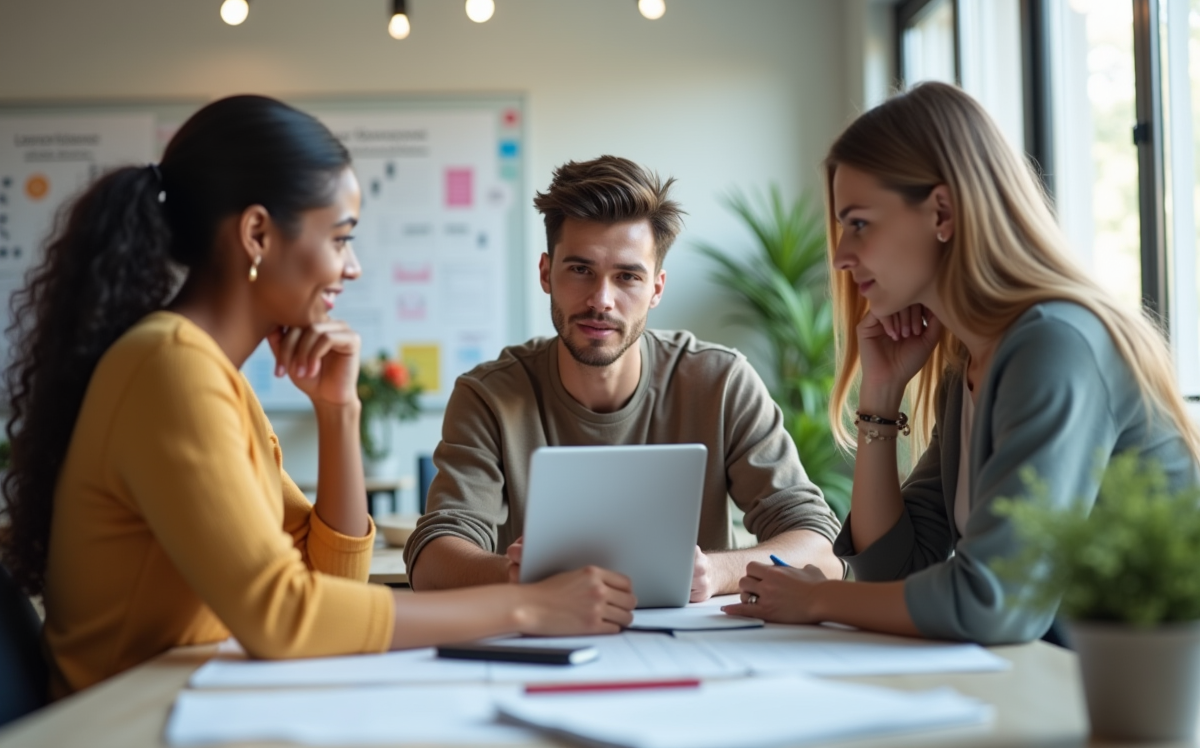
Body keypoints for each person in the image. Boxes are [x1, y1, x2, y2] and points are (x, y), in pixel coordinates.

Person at [0, 96, 635, 697]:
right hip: (125, 722)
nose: (352, 266)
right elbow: (284, 617)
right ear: (256, 234)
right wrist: (527, 604)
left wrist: (338, 413)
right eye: (339, 237)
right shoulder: (170, 366)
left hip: (189, 699)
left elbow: (332, 586)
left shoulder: (209, 374)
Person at [722, 82, 1200, 644]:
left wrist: (819, 598)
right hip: (1063, 680)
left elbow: (995, 601)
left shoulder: (1055, 345)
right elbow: (897, 568)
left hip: (1139, 707)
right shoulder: (972, 362)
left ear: (942, 212)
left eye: (858, 223)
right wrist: (881, 395)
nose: (842, 256)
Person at [405, 155, 842, 600]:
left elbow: (819, 544)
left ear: (656, 288)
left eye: (628, 276)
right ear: (545, 273)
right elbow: (432, 559)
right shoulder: (488, 396)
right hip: (545, 638)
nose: (602, 300)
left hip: (693, 646)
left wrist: (716, 573)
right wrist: (512, 576)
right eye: (580, 270)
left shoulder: (721, 381)